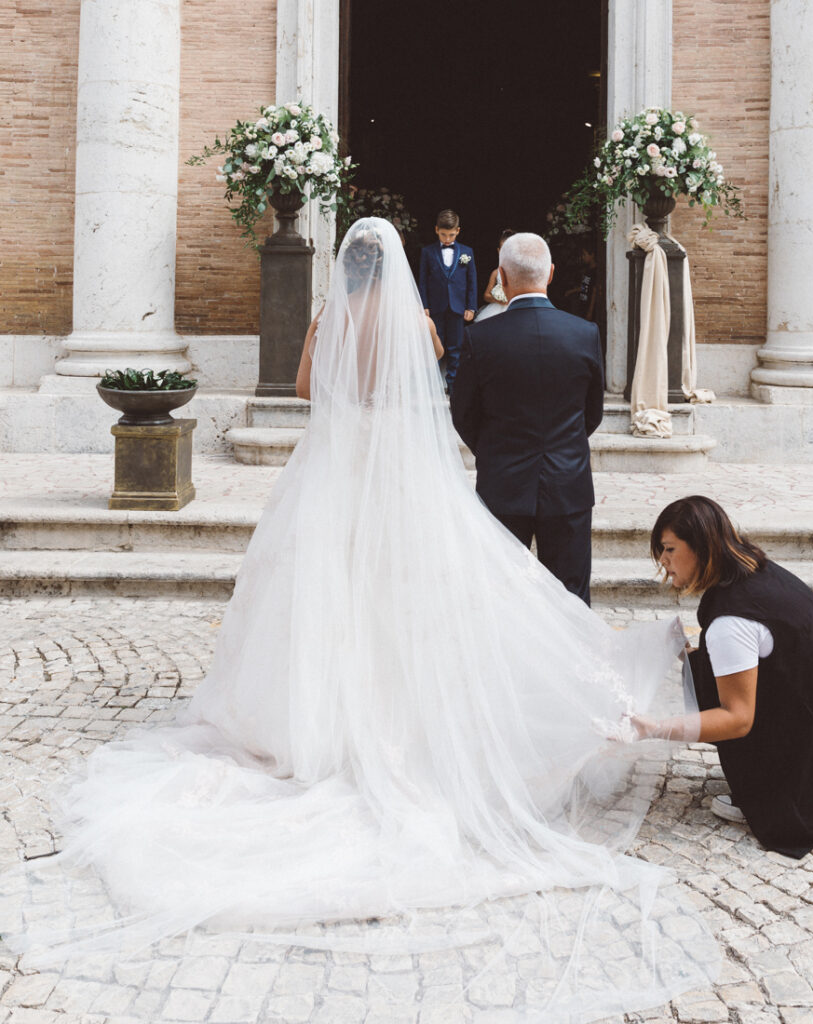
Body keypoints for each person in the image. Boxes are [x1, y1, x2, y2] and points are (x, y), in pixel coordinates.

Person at [0, 220, 717, 1020]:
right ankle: (416, 717)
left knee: (322, 591)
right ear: (400, 269)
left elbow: (309, 391)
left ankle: (313, 726)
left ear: (347, 267)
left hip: (334, 472)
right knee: (405, 595)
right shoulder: (418, 324)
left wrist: (344, 379)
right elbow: (433, 393)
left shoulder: (330, 320)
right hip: (399, 478)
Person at [635, 495, 813, 859]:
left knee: (714, 690)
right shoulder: (752, 568)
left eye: (669, 549)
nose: (662, 560)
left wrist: (655, 728)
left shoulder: (729, 621)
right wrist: (688, 653)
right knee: (704, 668)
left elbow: (738, 720)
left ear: (702, 547)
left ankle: (777, 792)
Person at [451, 232, 604, 605]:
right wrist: (562, 444)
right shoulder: (585, 334)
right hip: (568, 482)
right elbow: (593, 412)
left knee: (502, 598)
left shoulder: (480, 338)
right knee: (571, 597)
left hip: (502, 482)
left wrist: (495, 450)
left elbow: (463, 414)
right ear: (551, 274)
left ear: (500, 277)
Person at [417, 208, 477, 394]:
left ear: (458, 231)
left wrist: (471, 306)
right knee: (434, 345)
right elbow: (423, 280)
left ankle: (453, 385)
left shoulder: (467, 252)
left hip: (458, 307)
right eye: (443, 235)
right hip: (435, 306)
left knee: (455, 347)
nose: (447, 239)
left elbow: (472, 281)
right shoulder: (428, 252)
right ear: (436, 230)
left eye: (451, 234)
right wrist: (424, 305)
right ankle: (431, 385)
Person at [474, 228, 515, 321]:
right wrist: (499, 299)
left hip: (514, 310)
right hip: (497, 310)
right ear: (498, 251)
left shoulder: (520, 272)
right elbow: (486, 296)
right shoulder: (496, 273)